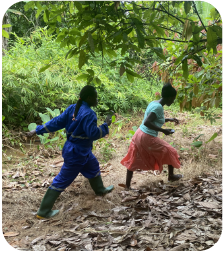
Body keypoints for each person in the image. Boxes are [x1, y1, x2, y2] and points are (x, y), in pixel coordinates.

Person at [27, 85, 114, 219]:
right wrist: (105, 125)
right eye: (96, 97)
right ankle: (43, 211)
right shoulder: (89, 114)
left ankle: (100, 190)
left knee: (93, 165)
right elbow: (93, 134)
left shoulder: (73, 108)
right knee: (62, 180)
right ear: (89, 98)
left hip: (77, 149)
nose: (97, 100)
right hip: (77, 153)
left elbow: (56, 122)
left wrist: (37, 130)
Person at [121, 82, 182, 189]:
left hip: (139, 134)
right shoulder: (158, 107)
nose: (173, 101)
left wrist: (169, 119)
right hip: (147, 137)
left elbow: (155, 118)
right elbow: (147, 122)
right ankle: (171, 176)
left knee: (133, 158)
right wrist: (163, 130)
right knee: (171, 151)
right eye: (173, 99)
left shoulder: (154, 103)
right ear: (168, 98)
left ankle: (127, 185)